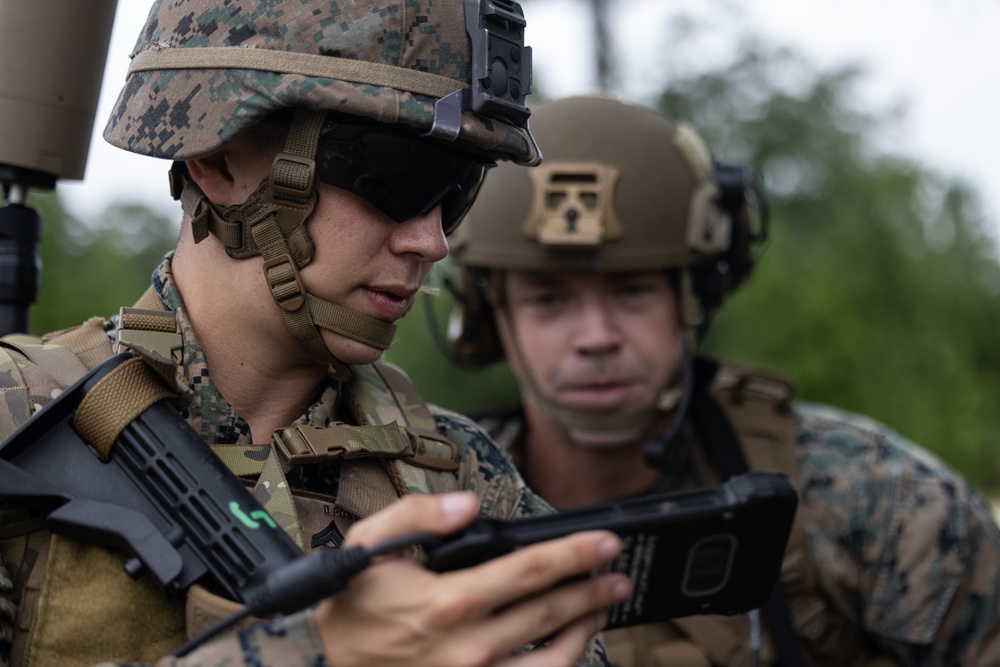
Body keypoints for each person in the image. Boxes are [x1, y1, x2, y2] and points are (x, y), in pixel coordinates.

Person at [0, 4, 635, 667]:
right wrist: (315, 652)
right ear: (217, 158)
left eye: (455, 190)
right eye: (394, 176)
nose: (433, 240)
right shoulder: (20, 420)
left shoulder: (457, 472)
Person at [446, 94, 1000, 666]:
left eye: (633, 292)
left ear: (693, 300)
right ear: (492, 313)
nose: (596, 337)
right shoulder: (431, 507)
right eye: (548, 300)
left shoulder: (882, 504)